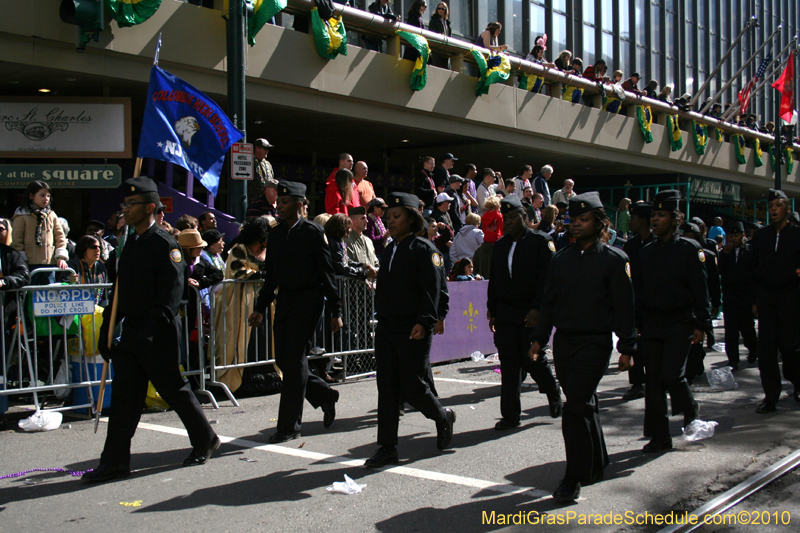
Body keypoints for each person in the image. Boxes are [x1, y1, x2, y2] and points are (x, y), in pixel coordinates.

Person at [83, 177, 220, 483]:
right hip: (132, 332)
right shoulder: (130, 242)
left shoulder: (164, 244)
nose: (125, 209)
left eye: (131, 204)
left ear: (148, 207)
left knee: (174, 389)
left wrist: (150, 330)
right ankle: (115, 462)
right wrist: (109, 328)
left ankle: (205, 438)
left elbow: (172, 296)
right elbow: (120, 291)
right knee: (124, 401)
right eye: (124, 204)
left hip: (157, 332)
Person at [529, 191, 636, 502]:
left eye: (583, 219)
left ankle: (573, 477)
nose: (576, 225)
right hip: (564, 342)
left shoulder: (615, 260)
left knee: (574, 406)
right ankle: (596, 462)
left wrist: (628, 347)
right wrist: (538, 338)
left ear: (599, 222)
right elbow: (548, 303)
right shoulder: (561, 259)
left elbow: (624, 308)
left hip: (596, 342)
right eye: (572, 220)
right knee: (583, 403)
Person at [364, 192, 455, 468]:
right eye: (388, 216)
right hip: (388, 326)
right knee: (387, 388)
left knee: (413, 386)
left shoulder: (424, 249)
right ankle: (387, 447)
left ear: (411, 218)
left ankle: (442, 417)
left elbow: (433, 290)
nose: (390, 221)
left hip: (413, 327)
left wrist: (426, 321)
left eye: (396, 216)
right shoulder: (390, 249)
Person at [248, 181, 342, 443]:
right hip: (286, 300)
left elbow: (327, 273)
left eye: (286, 202)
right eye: (279, 201)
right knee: (284, 359)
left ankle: (289, 426)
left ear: (300, 205)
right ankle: (325, 395)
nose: (279, 205)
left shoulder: (313, 232)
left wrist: (336, 310)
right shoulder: (276, 234)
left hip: (309, 301)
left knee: (295, 358)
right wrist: (260, 307)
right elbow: (272, 275)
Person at [633, 190, 708, 453]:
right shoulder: (647, 251)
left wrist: (701, 324)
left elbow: (701, 290)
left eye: (661, 215)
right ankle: (660, 436)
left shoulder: (689, 250)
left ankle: (690, 407)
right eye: (653, 215)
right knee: (652, 381)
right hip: (653, 322)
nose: (655, 220)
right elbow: (639, 292)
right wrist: (637, 324)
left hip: (680, 321)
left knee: (671, 375)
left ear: (675, 219)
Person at [488, 195, 562, 431]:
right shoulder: (500, 245)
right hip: (507, 312)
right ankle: (510, 416)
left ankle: (552, 390)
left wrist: (538, 308)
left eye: (512, 218)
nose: (508, 223)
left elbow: (548, 279)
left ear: (524, 217)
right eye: (505, 219)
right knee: (509, 364)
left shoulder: (541, 242)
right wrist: (492, 310)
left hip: (530, 310)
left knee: (533, 360)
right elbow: (495, 281)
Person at [748, 189, 800, 413]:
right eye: (770, 207)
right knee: (766, 349)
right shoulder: (761, 236)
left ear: (787, 208)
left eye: (778, 206)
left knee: (790, 346)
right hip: (767, 298)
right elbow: (752, 270)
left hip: (791, 298)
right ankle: (770, 396)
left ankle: (796, 382)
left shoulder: (797, 235)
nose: (773, 210)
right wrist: (755, 300)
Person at [214, 216, 275, 394]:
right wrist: (263, 275)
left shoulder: (269, 249)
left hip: (264, 303)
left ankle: (267, 375)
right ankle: (242, 380)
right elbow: (237, 271)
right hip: (240, 304)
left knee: (264, 338)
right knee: (242, 339)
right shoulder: (239, 249)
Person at [620, 202, 654, 401]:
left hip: (653, 302)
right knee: (636, 344)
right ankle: (637, 383)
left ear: (642, 221)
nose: (630, 222)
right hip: (635, 301)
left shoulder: (656, 243)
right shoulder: (631, 245)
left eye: (633, 218)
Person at [680, 222, 721, 383]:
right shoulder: (679, 255)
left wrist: (716, 302)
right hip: (684, 305)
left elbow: (713, 283)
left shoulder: (707, 256)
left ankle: (691, 372)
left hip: (700, 304)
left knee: (696, 342)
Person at [11, 180, 68, 283]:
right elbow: (17, 241)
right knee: (31, 294)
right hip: (29, 264)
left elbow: (60, 238)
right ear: (31, 196)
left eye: (48, 196)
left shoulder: (51, 214)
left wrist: (61, 257)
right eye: (42, 195)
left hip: (49, 264)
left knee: (48, 295)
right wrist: (22, 260)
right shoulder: (22, 215)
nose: (46, 199)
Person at [718, 222, 758, 370]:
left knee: (747, 328)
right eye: (731, 236)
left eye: (736, 236)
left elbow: (754, 275)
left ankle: (753, 350)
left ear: (743, 236)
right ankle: (733, 359)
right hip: (730, 297)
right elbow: (720, 271)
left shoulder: (750, 251)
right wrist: (724, 255)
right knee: (731, 331)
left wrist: (755, 299)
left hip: (746, 296)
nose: (733, 239)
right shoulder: (725, 252)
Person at [326, 213, 378, 281]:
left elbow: (347, 260)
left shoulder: (338, 241)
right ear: (341, 228)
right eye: (348, 227)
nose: (350, 230)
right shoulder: (333, 244)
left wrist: (364, 266)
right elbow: (343, 268)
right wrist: (365, 273)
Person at [248, 138, 275, 204]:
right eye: (265, 149)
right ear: (257, 148)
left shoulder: (268, 164)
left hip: (267, 200)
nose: (267, 151)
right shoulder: (249, 161)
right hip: (253, 200)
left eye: (268, 149)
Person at [428, 2, 451, 69]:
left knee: (446, 68)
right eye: (439, 8)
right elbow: (432, 34)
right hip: (437, 50)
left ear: (445, 10)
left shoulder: (447, 23)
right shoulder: (433, 21)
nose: (440, 10)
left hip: (445, 51)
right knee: (437, 67)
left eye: (442, 9)